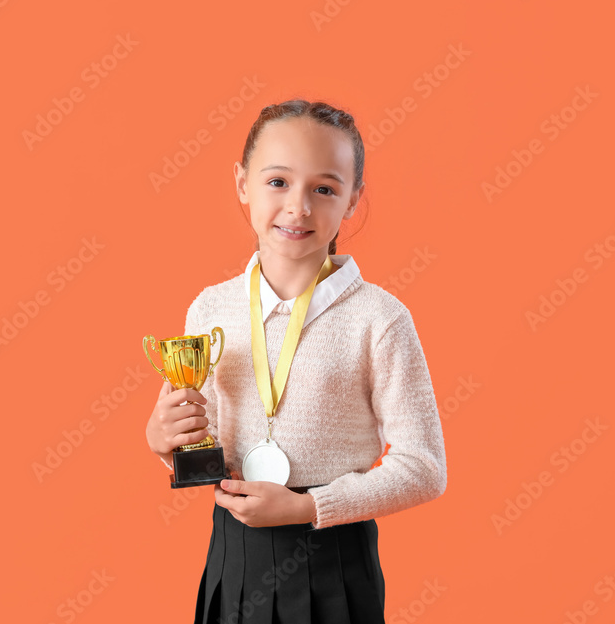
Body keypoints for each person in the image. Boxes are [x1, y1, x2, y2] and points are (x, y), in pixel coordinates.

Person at [145, 99, 447, 623]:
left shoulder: (380, 319)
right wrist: (165, 444)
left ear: (353, 199)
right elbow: (207, 447)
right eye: (278, 182)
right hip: (233, 556)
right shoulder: (210, 308)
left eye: (324, 188)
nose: (298, 207)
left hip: (332, 556)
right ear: (242, 183)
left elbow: (424, 468)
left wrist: (310, 507)